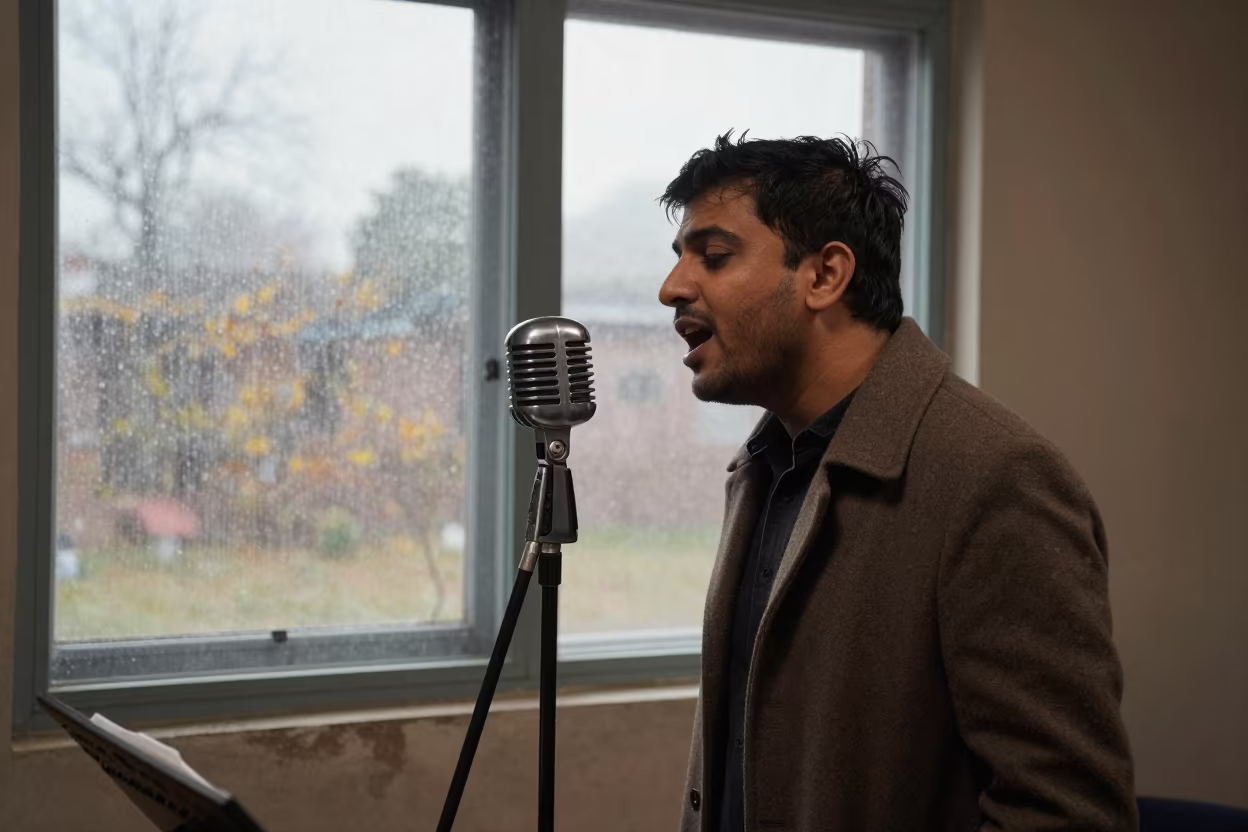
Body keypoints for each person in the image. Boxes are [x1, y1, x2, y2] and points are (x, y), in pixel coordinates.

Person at [658, 132, 1136, 831]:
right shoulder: (767, 465)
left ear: (825, 275)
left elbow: (1069, 812)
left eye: (715, 255)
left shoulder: (996, 477)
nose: (673, 287)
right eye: (679, 258)